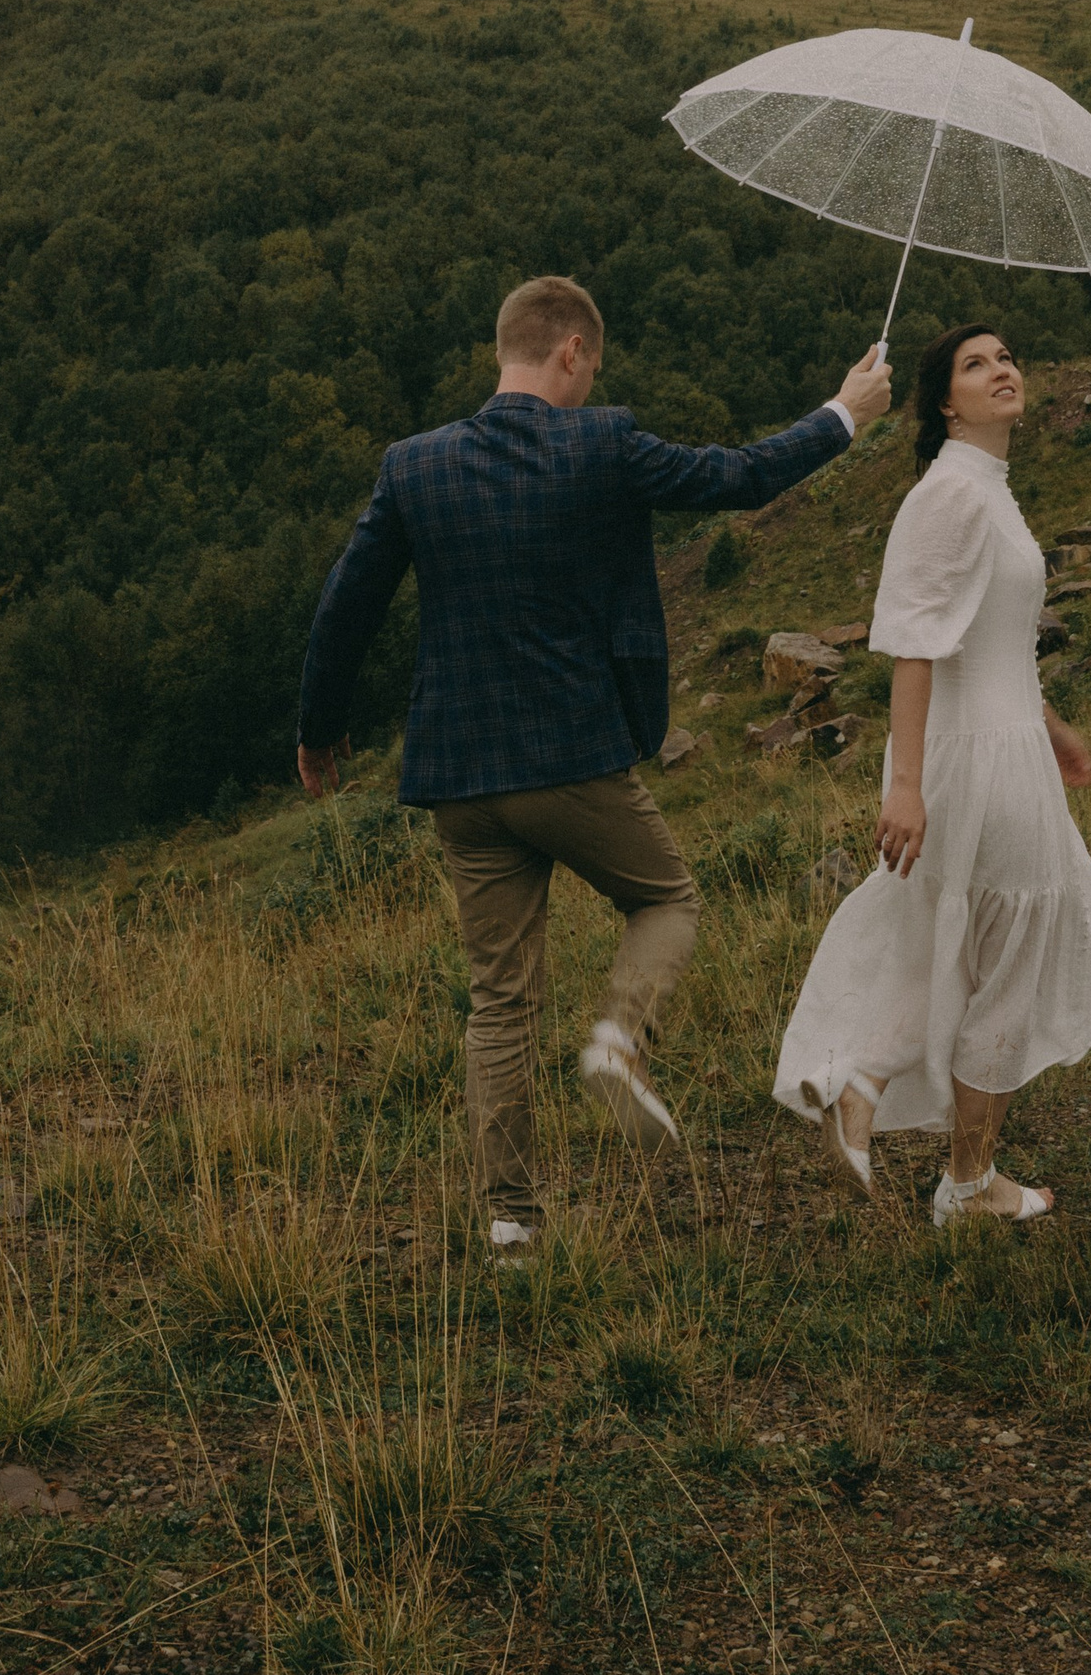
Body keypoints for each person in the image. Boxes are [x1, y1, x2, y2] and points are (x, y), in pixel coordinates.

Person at [297, 275, 892, 1250]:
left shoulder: (414, 466)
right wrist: (844, 413)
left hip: (459, 777)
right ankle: (620, 1038)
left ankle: (511, 1224)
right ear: (570, 350)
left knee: (499, 1002)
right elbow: (740, 477)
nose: (589, 384)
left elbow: (345, 607)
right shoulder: (602, 442)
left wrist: (317, 732)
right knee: (667, 901)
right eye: (591, 367)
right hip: (568, 752)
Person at [773, 324, 1091, 1225]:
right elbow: (914, 645)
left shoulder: (985, 488)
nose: (1002, 368)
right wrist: (905, 785)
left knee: (959, 941)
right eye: (975, 363)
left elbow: (992, 644)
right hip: (977, 760)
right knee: (1009, 959)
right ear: (945, 406)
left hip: (1005, 745)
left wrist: (1054, 729)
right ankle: (964, 1180)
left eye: (1006, 356)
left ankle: (866, 1083)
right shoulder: (953, 491)